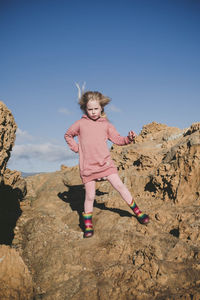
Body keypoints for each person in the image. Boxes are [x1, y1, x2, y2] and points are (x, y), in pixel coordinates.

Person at [64, 91, 149, 238]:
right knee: (90, 196)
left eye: (96, 109)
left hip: (106, 164)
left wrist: (129, 139)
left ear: (101, 108)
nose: (93, 112)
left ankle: (138, 212)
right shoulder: (80, 124)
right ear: (85, 109)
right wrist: (77, 148)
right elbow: (68, 135)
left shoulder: (106, 125)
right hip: (88, 168)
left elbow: (118, 139)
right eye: (90, 109)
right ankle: (88, 226)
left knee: (120, 186)